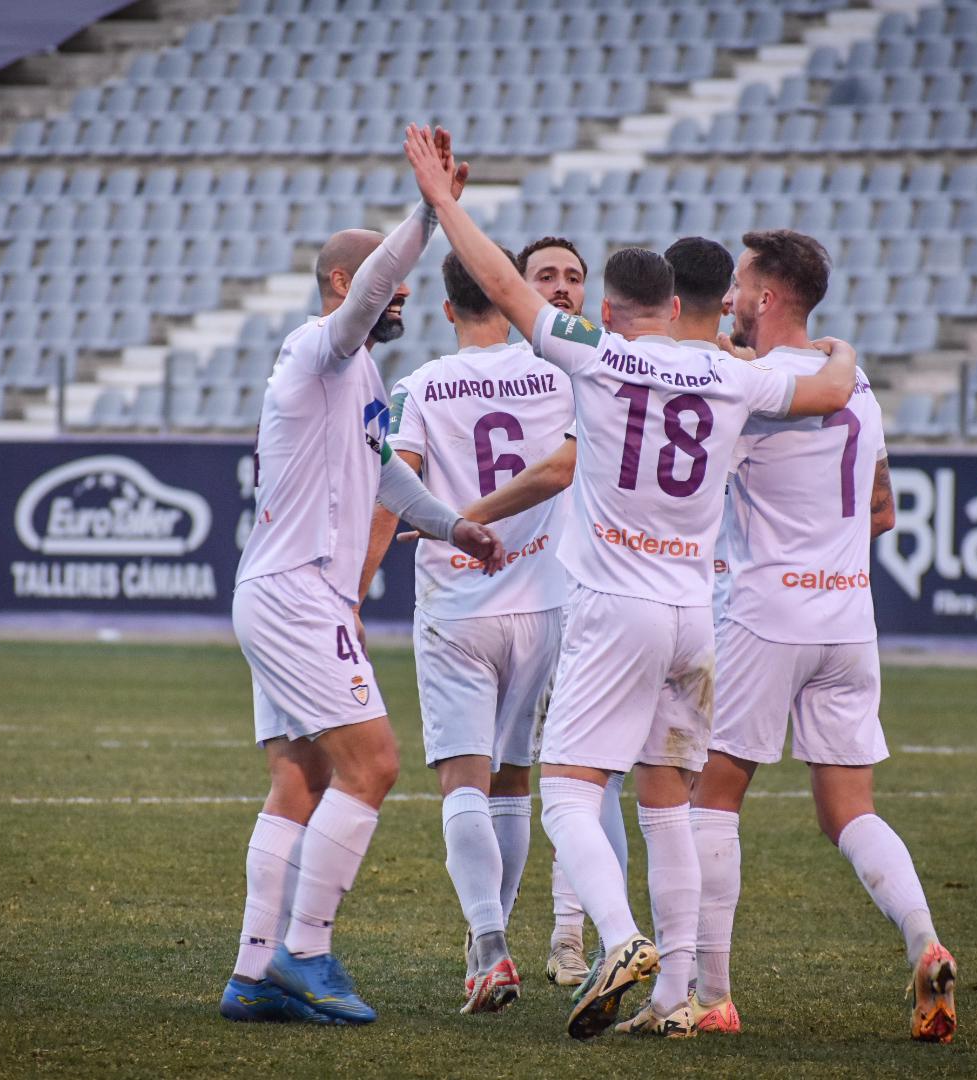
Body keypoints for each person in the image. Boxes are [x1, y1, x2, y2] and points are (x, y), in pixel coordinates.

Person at [405, 125, 859, 1041]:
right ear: (682, 302)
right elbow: (830, 394)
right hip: (698, 614)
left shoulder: (597, 357)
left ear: (610, 310)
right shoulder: (735, 375)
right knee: (666, 805)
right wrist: (843, 353)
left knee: (570, 789)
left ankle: (618, 939)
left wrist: (445, 203)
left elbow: (499, 283)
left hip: (615, 607)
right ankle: (676, 997)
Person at [218, 127, 505, 1027]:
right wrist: (429, 208)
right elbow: (379, 280)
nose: (405, 297)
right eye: (388, 286)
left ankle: (252, 971)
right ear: (346, 284)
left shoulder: (363, 372)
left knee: (301, 777)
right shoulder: (320, 347)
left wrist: (453, 522)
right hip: (298, 590)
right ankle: (308, 951)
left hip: (284, 591)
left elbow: (384, 474)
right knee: (374, 765)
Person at [692, 230, 957, 1043]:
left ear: (767, 298)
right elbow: (881, 509)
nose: (731, 299)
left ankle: (711, 995)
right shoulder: (861, 384)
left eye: (739, 286)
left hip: (767, 614)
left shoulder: (756, 383)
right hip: (848, 613)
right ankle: (925, 940)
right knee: (849, 809)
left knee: (713, 796)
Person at [358, 246, 574, 1014]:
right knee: (514, 779)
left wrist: (356, 590)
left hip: (457, 605)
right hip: (543, 600)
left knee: (462, 781)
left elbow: (393, 492)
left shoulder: (419, 385)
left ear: (448, 310)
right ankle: (498, 937)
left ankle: (488, 945)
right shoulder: (557, 374)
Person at [513, 234, 630, 991]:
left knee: (586, 780)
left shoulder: (604, 365)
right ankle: (496, 940)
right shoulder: (500, 366)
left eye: (573, 277)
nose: (561, 287)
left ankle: (569, 939)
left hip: (586, 599)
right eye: (545, 276)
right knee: (511, 776)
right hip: (511, 602)